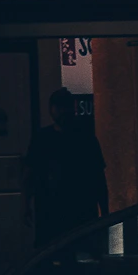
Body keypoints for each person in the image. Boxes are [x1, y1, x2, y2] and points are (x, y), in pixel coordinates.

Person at [25, 87, 109, 246]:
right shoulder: (85, 138)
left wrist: (26, 204)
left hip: (56, 211)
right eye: (60, 107)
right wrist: (104, 212)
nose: (63, 111)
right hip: (74, 211)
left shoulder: (43, 139)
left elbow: (29, 173)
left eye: (65, 107)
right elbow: (99, 178)